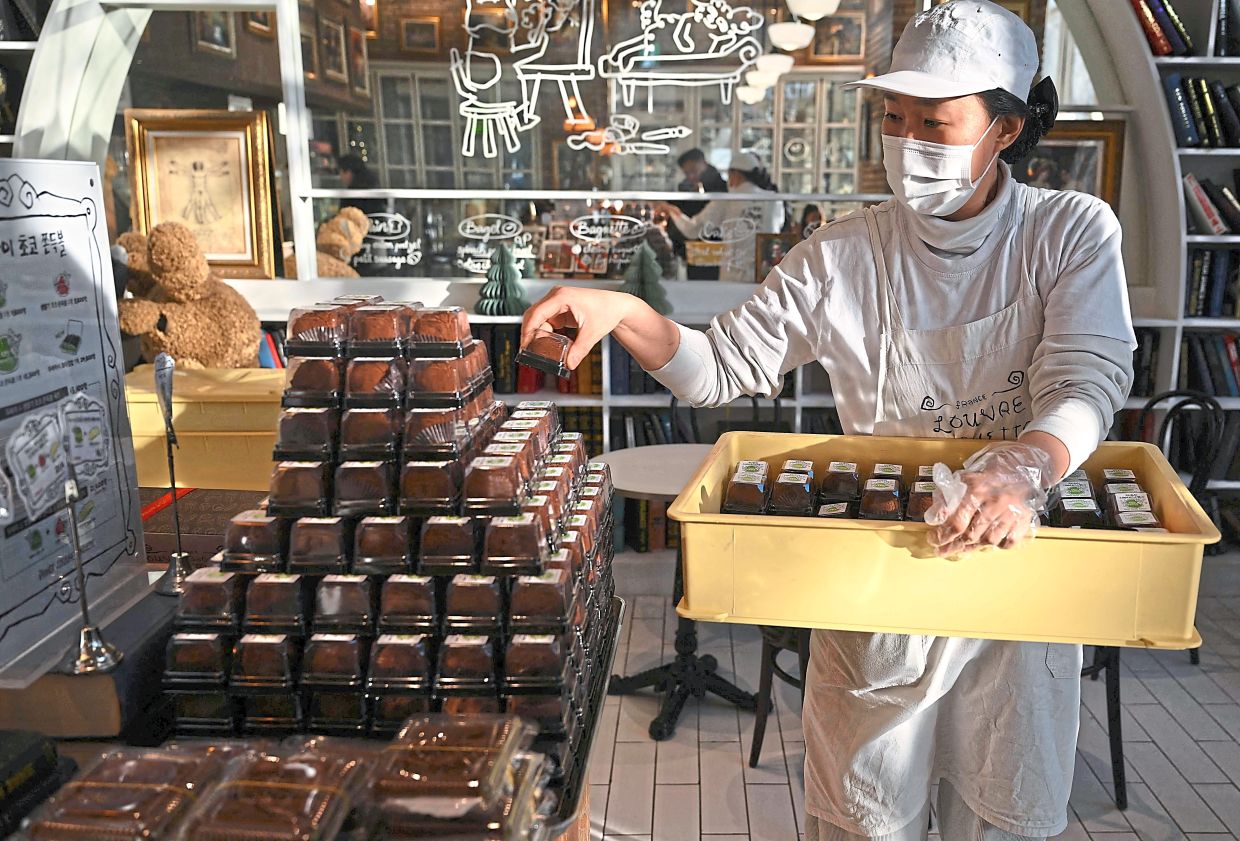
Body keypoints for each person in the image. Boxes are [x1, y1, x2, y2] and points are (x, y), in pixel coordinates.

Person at [520, 2, 1135, 839]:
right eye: (895, 117)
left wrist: (1022, 466)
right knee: (864, 821)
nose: (909, 140)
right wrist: (624, 307)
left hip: (1012, 598)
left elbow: (1088, 377)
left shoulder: (1066, 233)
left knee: (999, 813)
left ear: (1005, 127)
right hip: (876, 592)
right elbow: (720, 366)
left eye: (937, 121)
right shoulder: (845, 255)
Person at [658, 150, 785, 282]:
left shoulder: (727, 200)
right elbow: (776, 233)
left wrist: (671, 210)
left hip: (733, 277)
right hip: (764, 275)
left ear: (735, 174)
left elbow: (692, 229)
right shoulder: (774, 200)